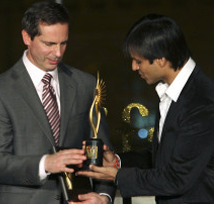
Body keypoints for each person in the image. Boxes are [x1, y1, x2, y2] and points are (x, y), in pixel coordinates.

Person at [0, 1, 115, 204]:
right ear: (27, 37)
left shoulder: (85, 85)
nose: (58, 53)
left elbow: (104, 153)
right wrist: (45, 164)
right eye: (49, 44)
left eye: (64, 43)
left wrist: (103, 197)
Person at [77, 14, 214, 203]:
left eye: (138, 61)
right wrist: (117, 161)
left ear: (161, 59)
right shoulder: (173, 93)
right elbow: (161, 159)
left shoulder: (202, 101)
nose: (134, 67)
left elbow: (177, 178)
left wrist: (116, 176)